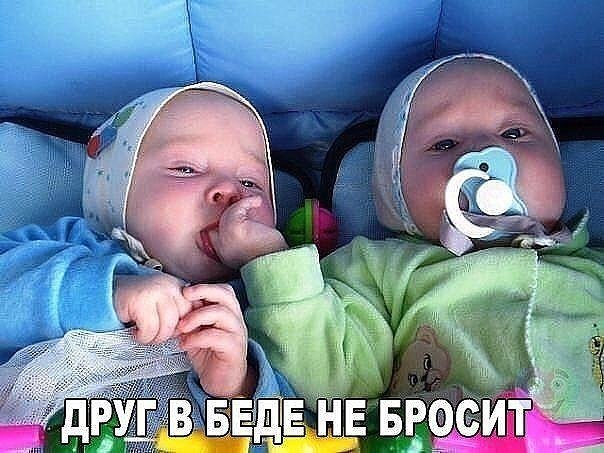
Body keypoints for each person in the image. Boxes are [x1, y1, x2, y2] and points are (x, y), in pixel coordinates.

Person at [240, 54, 604, 422]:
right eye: (445, 144)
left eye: (513, 133)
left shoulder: (594, 270)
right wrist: (278, 270)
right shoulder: (377, 271)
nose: (484, 154)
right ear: (394, 191)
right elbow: (331, 389)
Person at [0, 82, 291, 405]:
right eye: (186, 169)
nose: (230, 191)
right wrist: (107, 291)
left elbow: (305, 421)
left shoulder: (267, 305)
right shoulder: (76, 245)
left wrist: (237, 388)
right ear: (116, 194)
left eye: (250, 182)